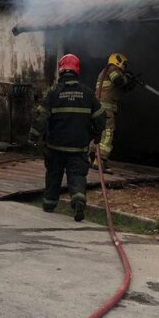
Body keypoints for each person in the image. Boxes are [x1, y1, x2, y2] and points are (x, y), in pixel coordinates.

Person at [29, 54, 106, 222]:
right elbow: (101, 117)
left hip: (55, 145)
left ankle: (49, 204)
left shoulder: (53, 92)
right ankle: (78, 199)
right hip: (79, 146)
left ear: (61, 71)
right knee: (77, 174)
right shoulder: (87, 93)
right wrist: (96, 135)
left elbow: (41, 117)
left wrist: (33, 136)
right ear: (77, 71)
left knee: (54, 174)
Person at [92, 52, 141, 168]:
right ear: (118, 61)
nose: (125, 67)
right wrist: (127, 78)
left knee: (98, 132)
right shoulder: (112, 69)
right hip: (105, 108)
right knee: (108, 132)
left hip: (100, 108)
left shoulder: (107, 72)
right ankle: (100, 161)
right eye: (124, 64)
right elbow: (119, 81)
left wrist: (131, 83)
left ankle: (92, 157)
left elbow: (121, 88)